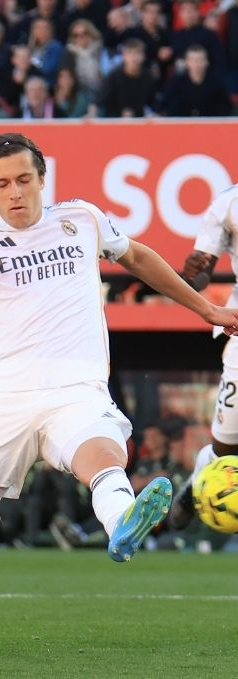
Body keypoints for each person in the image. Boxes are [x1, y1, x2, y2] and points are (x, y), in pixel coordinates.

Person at [0, 132, 238, 655]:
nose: (16, 192)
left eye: (25, 180)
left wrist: (208, 309)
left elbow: (140, 258)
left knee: (103, 452)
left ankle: (121, 521)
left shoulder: (81, 219)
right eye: (3, 183)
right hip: (4, 401)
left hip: (76, 389)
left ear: (42, 178)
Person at [167, 183, 238, 530]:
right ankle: (200, 478)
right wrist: (193, 273)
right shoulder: (228, 203)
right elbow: (200, 272)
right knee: (227, 448)